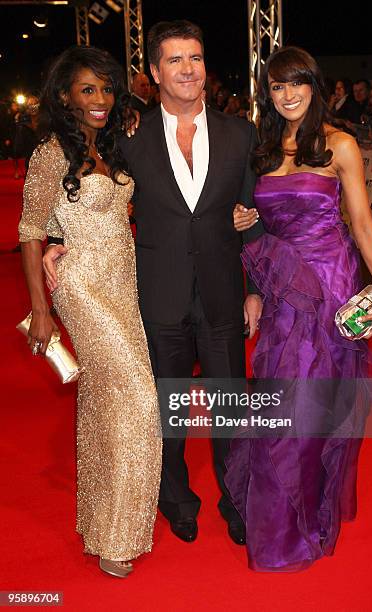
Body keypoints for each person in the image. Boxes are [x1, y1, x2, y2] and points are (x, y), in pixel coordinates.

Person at [44, 20, 263, 547]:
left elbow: (257, 214)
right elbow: (82, 178)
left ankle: (235, 500)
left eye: (196, 57)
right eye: (175, 60)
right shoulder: (128, 136)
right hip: (156, 293)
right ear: (154, 73)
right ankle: (176, 500)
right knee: (167, 410)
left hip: (222, 293)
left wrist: (255, 286)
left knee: (230, 405)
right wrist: (55, 234)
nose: (188, 69)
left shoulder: (241, 133)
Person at [226, 46, 372, 572]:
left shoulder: (340, 144)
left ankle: (302, 520)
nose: (288, 94)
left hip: (331, 285)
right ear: (267, 95)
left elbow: (363, 224)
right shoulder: (259, 151)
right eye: (277, 87)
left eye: (297, 83)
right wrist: (251, 286)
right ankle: (281, 522)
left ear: (314, 86)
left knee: (316, 403)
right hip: (281, 289)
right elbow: (255, 229)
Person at [18, 46, 162, 578]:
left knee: (108, 400)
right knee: (140, 396)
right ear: (64, 97)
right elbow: (31, 231)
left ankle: (103, 526)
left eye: (106, 88)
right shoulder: (51, 152)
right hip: (79, 286)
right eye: (88, 90)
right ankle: (117, 532)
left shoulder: (114, 145)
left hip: (123, 284)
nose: (100, 99)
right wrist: (40, 309)